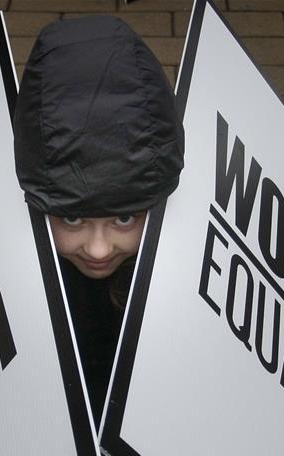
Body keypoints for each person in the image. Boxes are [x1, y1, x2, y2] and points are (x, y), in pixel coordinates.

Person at [13, 15, 185, 424]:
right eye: (71, 218)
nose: (98, 249)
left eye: (124, 217)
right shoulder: (24, 289)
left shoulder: (176, 283)